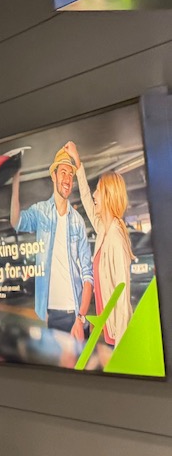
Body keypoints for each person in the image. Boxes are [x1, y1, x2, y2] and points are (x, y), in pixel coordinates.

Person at [12, 144, 94, 342]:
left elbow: (87, 275)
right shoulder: (40, 212)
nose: (67, 179)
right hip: (50, 315)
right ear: (54, 176)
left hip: (75, 314)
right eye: (63, 172)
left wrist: (81, 317)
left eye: (71, 175)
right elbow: (16, 222)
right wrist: (15, 183)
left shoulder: (77, 221)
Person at [71, 143, 135, 351]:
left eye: (98, 191)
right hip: (110, 329)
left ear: (107, 196)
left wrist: (121, 347)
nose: (95, 196)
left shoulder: (115, 238)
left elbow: (122, 296)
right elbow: (87, 201)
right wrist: (78, 164)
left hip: (119, 334)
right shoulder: (104, 231)